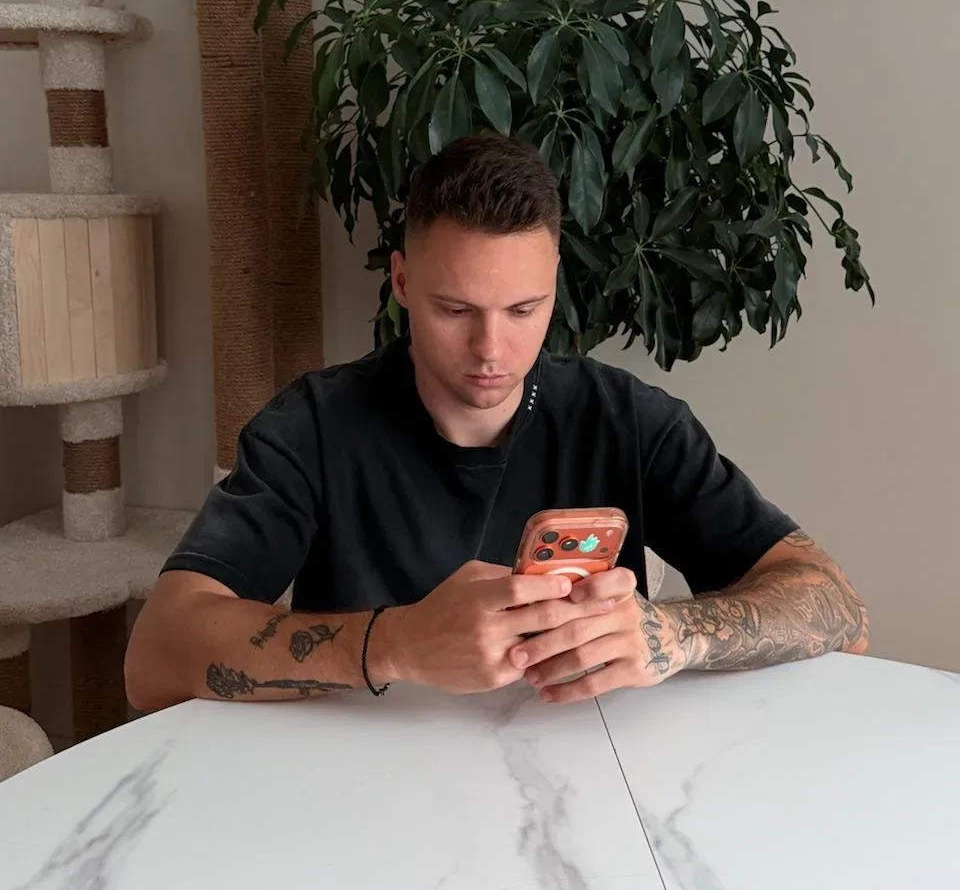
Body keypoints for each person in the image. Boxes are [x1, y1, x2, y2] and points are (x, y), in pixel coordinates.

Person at [125, 135, 869, 712]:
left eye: (523, 310)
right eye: (455, 310)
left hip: (591, 782)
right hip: (363, 791)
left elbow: (838, 608)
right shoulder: (312, 427)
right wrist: (395, 644)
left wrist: (676, 633)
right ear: (402, 281)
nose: (491, 349)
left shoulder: (628, 420)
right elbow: (152, 661)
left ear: (554, 287)